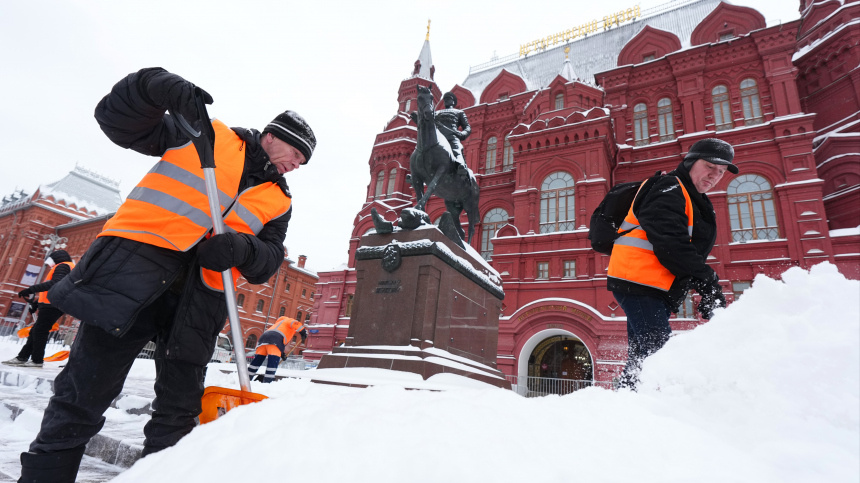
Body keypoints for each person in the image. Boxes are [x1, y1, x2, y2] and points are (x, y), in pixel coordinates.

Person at [17, 67, 316, 482]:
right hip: (130, 284)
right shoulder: (204, 136)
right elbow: (118, 121)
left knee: (177, 418)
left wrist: (240, 247)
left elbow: (267, 258)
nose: (296, 167)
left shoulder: (279, 200)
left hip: (197, 308)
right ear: (272, 138)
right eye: (296, 156)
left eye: (302, 164)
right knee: (81, 398)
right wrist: (154, 86)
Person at [607, 138, 736, 390]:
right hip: (638, 281)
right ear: (690, 162)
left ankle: (628, 397)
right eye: (709, 166)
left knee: (643, 356)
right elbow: (672, 244)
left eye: (720, 171)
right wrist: (708, 285)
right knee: (659, 355)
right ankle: (657, 404)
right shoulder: (670, 188)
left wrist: (705, 285)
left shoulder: (691, 196)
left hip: (653, 286)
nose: (715, 175)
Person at [3, 250, 74, 368]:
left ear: (56, 258)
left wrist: (31, 289)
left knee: (40, 331)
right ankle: (23, 357)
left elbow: (55, 284)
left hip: (53, 305)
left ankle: (36, 360)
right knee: (36, 331)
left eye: (50, 261)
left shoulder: (63, 266)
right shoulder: (64, 267)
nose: (49, 264)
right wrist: (37, 303)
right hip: (51, 304)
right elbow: (54, 289)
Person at [247, 316, 308, 383]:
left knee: (257, 360)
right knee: (272, 362)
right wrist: (303, 332)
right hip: (275, 338)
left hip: (263, 339)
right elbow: (295, 323)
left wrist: (282, 354)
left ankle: (246, 378)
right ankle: (267, 382)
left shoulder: (278, 325)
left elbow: (279, 344)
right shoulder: (288, 320)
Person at [433, 91, 471, 178]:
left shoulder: (459, 112)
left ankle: (461, 166)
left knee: (457, 148)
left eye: (448, 99)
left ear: (453, 101)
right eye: (445, 99)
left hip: (452, 137)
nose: (446, 101)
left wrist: (462, 134)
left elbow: (467, 127)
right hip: (438, 139)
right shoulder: (437, 113)